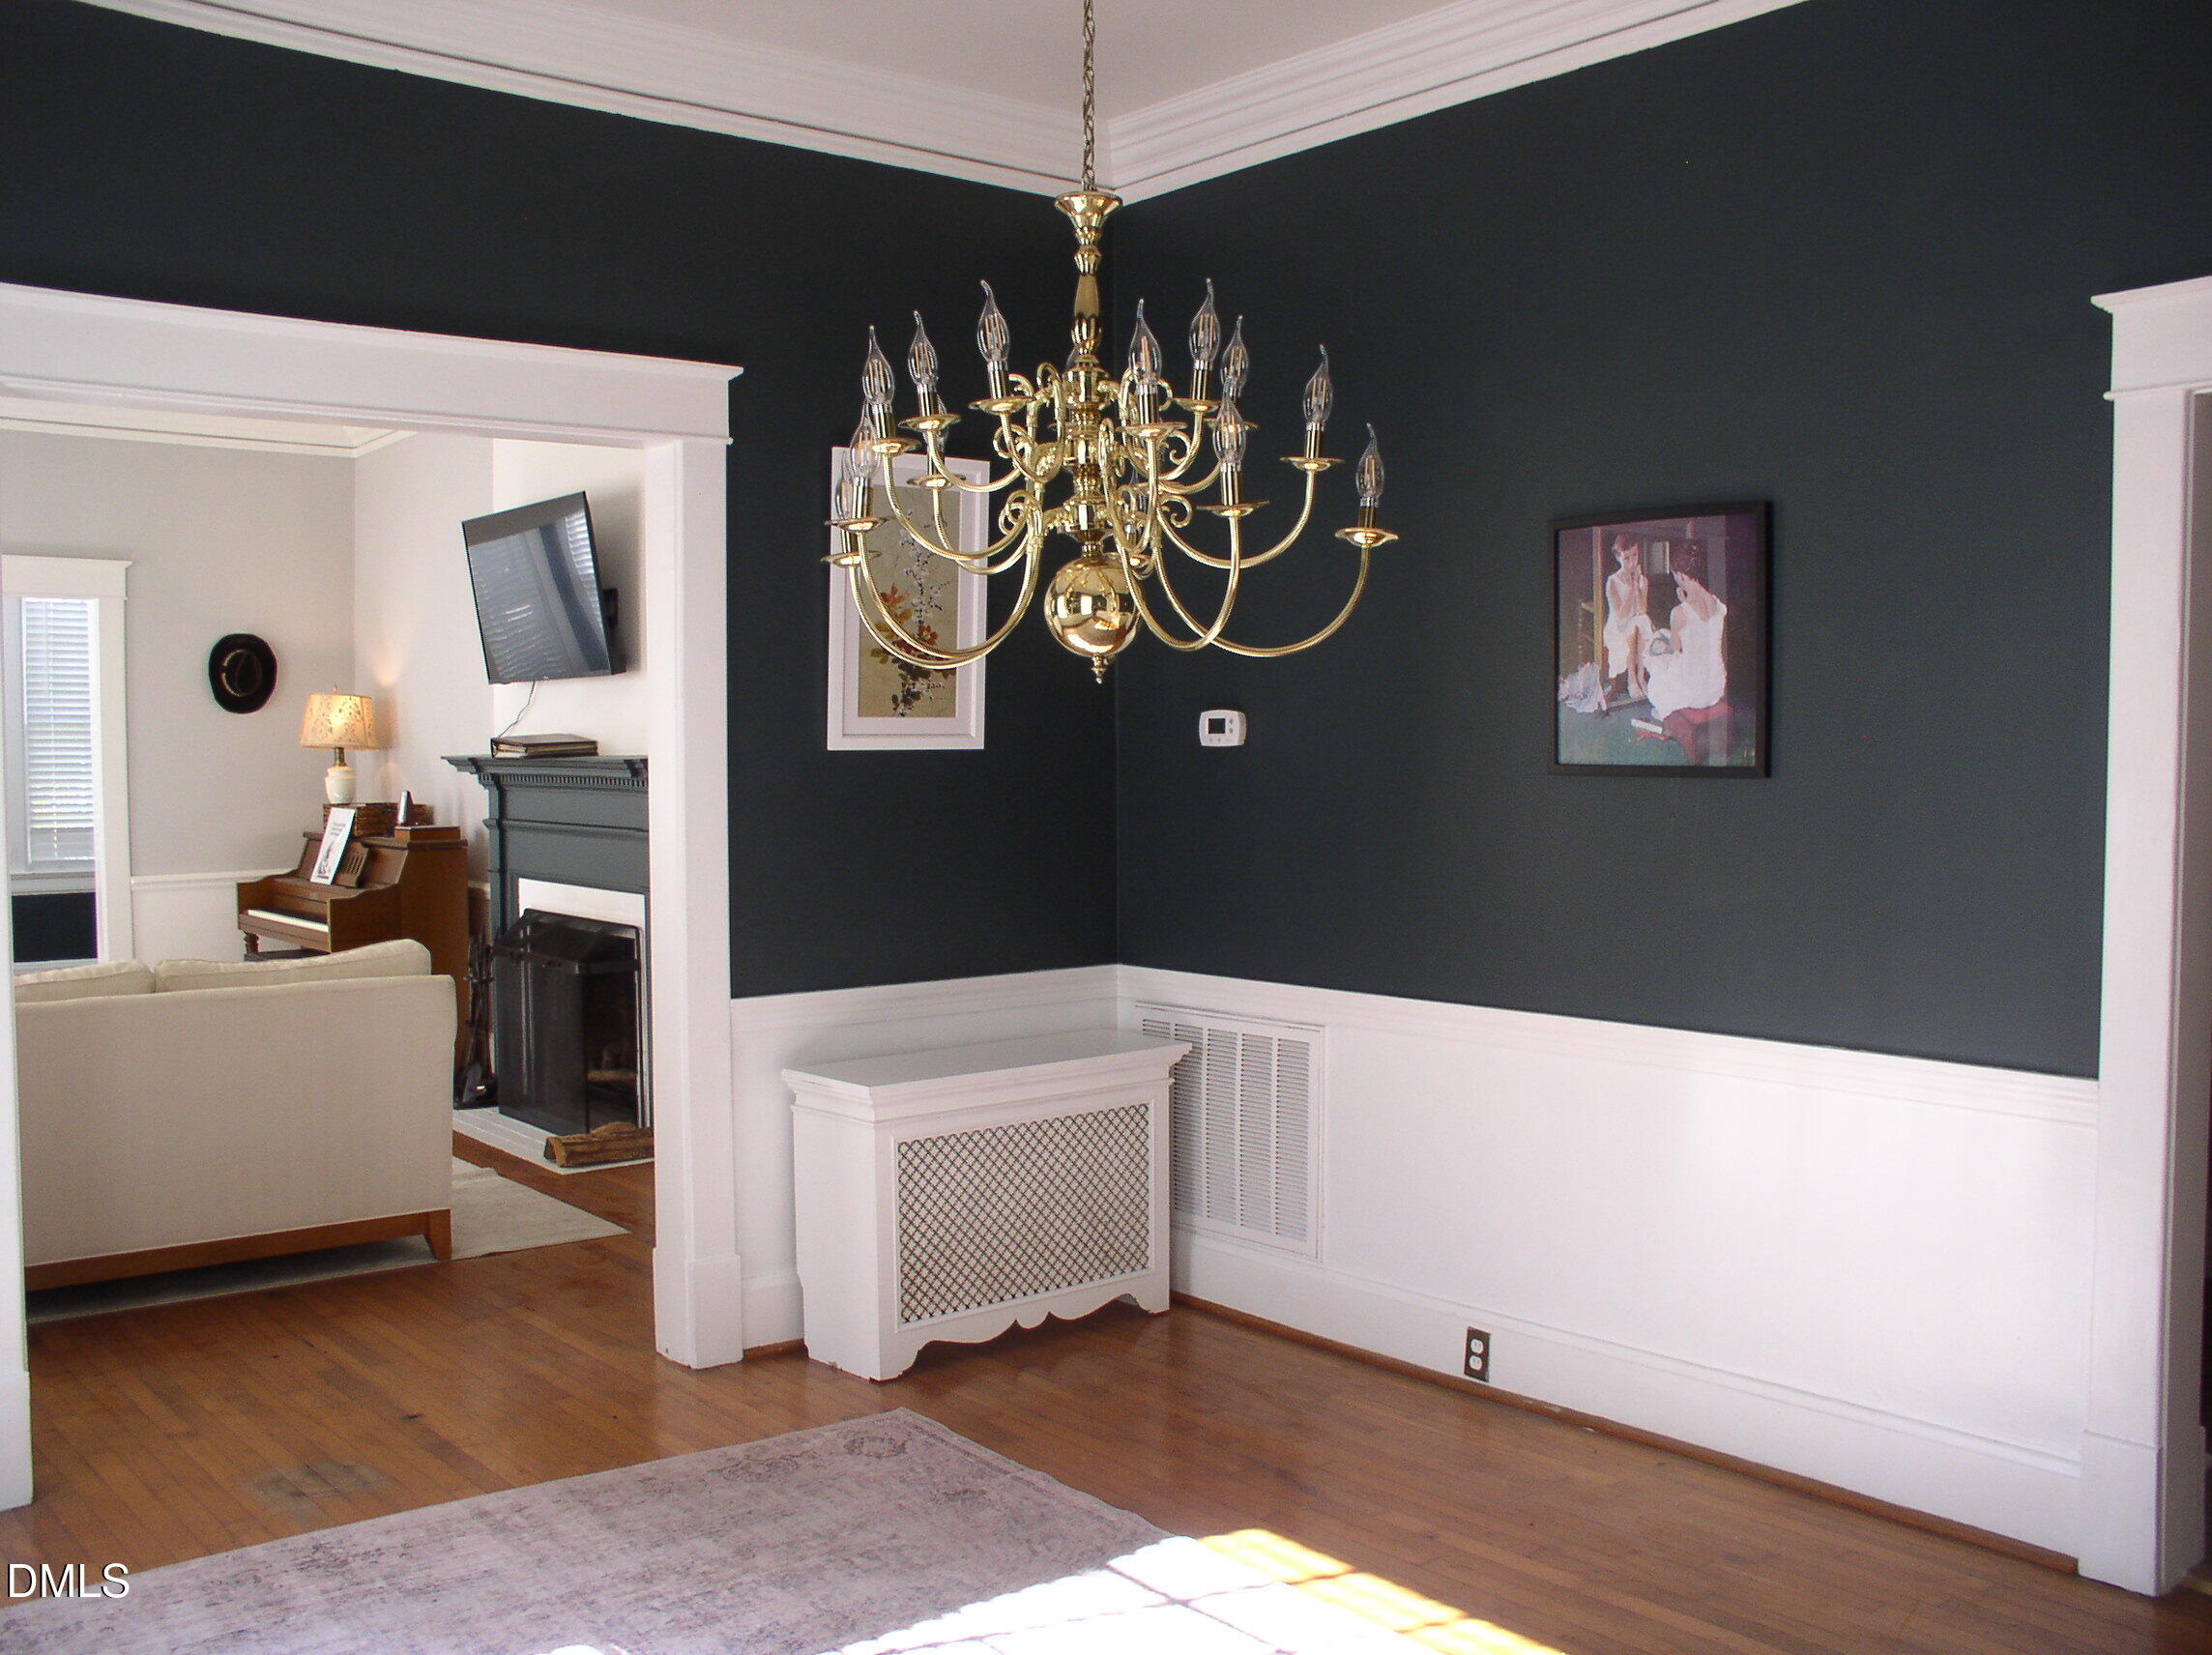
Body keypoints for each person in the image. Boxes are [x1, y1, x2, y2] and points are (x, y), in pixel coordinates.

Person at [1639, 540, 1730, 761]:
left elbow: (1676, 648)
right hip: (1716, 685)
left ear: (1680, 574)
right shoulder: (1718, 604)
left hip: (1695, 691)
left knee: (1655, 670)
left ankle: (1675, 722)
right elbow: (1703, 635)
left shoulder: (1679, 612)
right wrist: (1685, 601)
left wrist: (1657, 643)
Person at [1601, 535, 1653, 706]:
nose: (1632, 561)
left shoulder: (1642, 580)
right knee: (1633, 625)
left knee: (1642, 620)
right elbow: (1622, 615)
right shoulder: (1613, 582)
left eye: (1635, 555)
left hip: (1634, 622)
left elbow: (1642, 609)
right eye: (1627, 557)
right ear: (1618, 558)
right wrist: (1631, 586)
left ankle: (1640, 676)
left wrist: (1638, 584)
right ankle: (1631, 679)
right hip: (1617, 626)